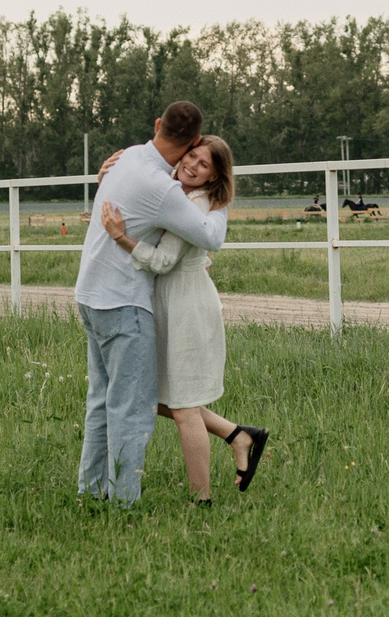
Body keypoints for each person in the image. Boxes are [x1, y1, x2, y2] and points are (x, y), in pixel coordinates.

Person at [72, 102, 229, 506]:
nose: (194, 163)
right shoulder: (165, 190)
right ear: (193, 141)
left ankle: (92, 492)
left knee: (101, 400)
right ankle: (123, 501)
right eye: (194, 154)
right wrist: (220, 196)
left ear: (156, 124)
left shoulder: (125, 158)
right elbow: (210, 237)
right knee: (132, 408)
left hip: (89, 293)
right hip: (123, 302)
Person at [99, 135, 267, 503]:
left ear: (212, 177)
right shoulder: (175, 191)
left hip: (187, 307)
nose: (192, 165)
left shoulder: (194, 204)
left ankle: (201, 500)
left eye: (204, 164)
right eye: (192, 155)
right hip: (168, 302)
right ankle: (238, 435)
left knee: (184, 407)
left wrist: (121, 238)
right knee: (152, 397)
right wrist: (110, 173)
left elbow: (161, 261)